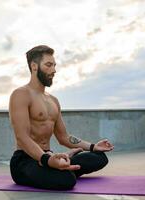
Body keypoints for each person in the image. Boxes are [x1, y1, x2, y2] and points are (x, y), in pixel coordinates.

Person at [9, 45, 114, 190]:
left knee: (99, 157)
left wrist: (93, 146)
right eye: (48, 65)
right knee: (66, 180)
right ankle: (60, 168)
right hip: (25, 161)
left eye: (54, 65)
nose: (53, 70)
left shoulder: (53, 100)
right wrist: (47, 160)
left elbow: (64, 137)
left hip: (49, 156)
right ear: (34, 66)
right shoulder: (20, 95)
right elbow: (22, 137)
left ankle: (61, 165)